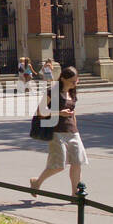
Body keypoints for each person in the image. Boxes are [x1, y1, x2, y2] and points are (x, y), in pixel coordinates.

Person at [30, 66, 88, 197]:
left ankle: (75, 194)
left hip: (72, 131)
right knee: (58, 165)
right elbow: (40, 111)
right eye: (72, 81)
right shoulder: (52, 92)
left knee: (77, 162)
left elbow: (73, 113)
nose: (75, 83)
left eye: (76, 81)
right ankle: (37, 182)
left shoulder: (72, 93)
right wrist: (59, 113)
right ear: (63, 79)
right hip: (56, 131)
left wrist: (76, 129)